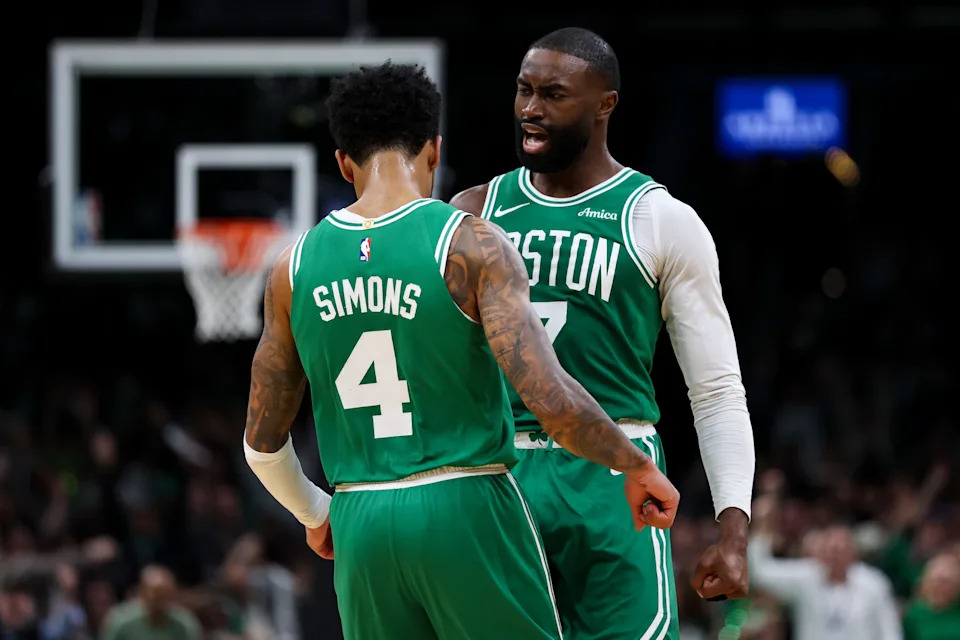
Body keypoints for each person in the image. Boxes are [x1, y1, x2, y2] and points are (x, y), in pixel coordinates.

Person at [241, 61, 680, 640]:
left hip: (362, 520)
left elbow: (262, 447)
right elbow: (547, 396)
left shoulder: (290, 269)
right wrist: (636, 463)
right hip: (465, 505)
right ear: (433, 150)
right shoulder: (469, 244)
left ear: (344, 163)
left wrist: (317, 513)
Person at [449, 27, 756, 640]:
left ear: (604, 105)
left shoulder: (661, 219)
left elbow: (716, 388)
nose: (531, 109)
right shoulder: (473, 211)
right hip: (498, 473)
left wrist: (735, 529)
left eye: (554, 95)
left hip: (616, 472)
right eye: (524, 91)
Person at [99, 565, 201, 640]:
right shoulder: (121, 621)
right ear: (141, 593)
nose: (158, 601)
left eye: (164, 595)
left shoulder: (183, 623)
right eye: (154, 595)